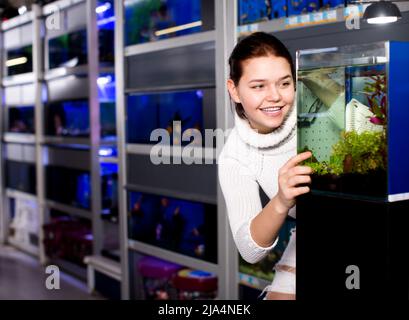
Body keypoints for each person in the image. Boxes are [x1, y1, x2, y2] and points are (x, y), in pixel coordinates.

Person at [218, 32, 313, 300]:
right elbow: (250, 251)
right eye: (258, 86)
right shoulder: (235, 154)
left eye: (284, 83)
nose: (275, 97)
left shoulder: (318, 104)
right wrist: (282, 201)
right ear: (234, 90)